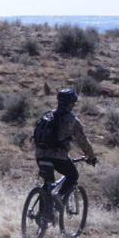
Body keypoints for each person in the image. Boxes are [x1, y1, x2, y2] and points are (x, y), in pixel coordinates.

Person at [35, 88, 97, 219]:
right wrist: (91, 157)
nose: (74, 105)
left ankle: (43, 216)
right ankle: (60, 195)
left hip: (40, 155)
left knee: (47, 184)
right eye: (73, 103)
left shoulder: (47, 115)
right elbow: (83, 141)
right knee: (73, 175)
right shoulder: (72, 119)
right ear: (70, 103)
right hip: (58, 157)